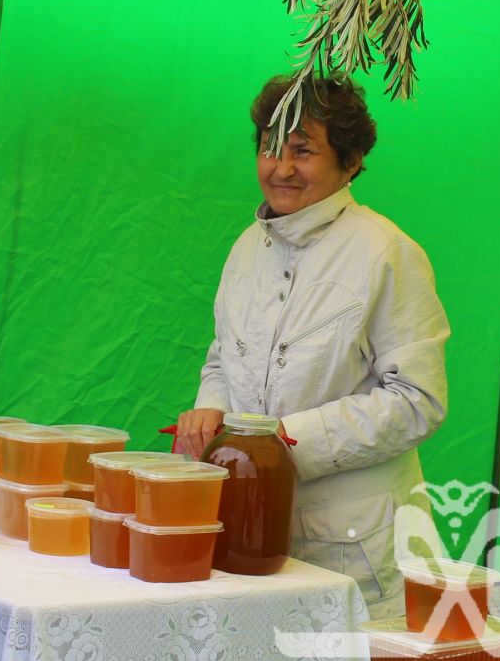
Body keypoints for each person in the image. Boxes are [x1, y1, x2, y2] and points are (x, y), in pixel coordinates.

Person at [175, 73, 449, 615]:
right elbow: (224, 355)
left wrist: (285, 441)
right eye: (269, 148)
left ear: (349, 163)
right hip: (248, 525)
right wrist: (211, 410)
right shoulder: (248, 247)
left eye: (303, 151)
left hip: (353, 541)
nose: (280, 168)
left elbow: (419, 400)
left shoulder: (386, 252)